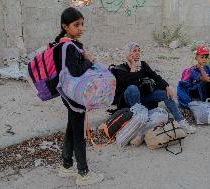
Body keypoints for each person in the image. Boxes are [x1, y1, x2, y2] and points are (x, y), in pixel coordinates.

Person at [53, 7, 104, 186]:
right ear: (65, 26)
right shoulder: (69, 46)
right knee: (78, 132)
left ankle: (66, 166)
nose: (81, 28)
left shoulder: (62, 44)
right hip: (75, 96)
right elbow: (75, 71)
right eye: (76, 25)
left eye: (82, 24)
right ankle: (83, 173)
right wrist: (89, 60)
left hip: (68, 94)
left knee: (71, 127)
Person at [113, 41, 196, 134]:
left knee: (165, 94)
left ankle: (181, 121)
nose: (137, 53)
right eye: (134, 50)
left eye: (139, 50)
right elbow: (128, 84)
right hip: (129, 103)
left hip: (143, 99)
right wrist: (132, 66)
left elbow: (155, 76)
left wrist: (167, 87)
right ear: (128, 53)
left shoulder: (143, 65)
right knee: (132, 88)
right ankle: (138, 119)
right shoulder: (121, 69)